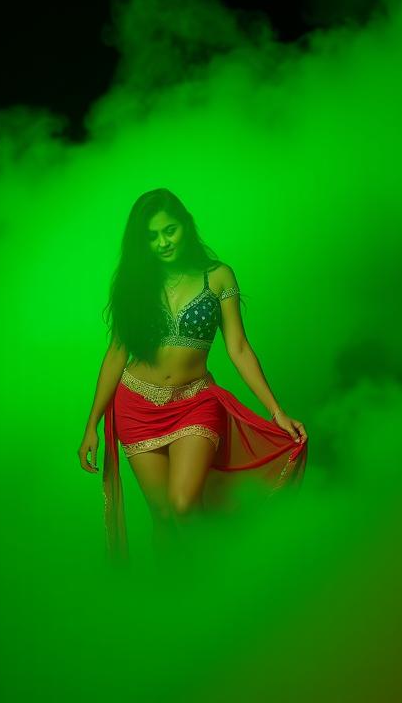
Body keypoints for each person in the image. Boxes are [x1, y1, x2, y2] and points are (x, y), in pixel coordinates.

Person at [78, 188, 308, 566]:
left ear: (185, 225)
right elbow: (116, 353)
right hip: (135, 406)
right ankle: (178, 605)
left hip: (195, 403)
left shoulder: (218, 276)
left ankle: (219, 587)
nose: (162, 242)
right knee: (164, 519)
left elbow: (238, 348)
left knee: (185, 506)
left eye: (169, 230)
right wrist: (92, 425)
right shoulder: (134, 282)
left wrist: (276, 411)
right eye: (152, 236)